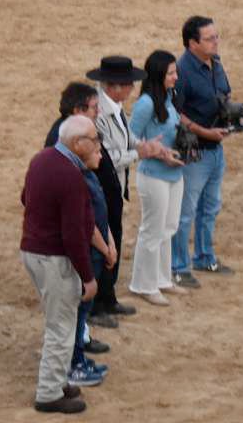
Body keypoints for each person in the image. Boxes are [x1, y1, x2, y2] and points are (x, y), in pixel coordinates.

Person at [21, 115, 100, 413]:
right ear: (77, 144)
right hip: (53, 258)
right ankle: (49, 393)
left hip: (33, 251)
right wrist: (88, 277)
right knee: (61, 326)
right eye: (93, 139)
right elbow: (73, 234)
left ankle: (57, 380)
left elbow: (25, 198)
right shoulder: (70, 175)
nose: (98, 145)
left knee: (60, 322)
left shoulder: (41, 159)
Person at [86, 56, 161, 327]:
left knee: (114, 237)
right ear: (115, 86)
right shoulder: (98, 114)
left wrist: (142, 146)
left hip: (114, 186)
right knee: (104, 243)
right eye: (129, 83)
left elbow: (128, 139)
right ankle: (96, 306)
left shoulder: (114, 107)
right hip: (103, 186)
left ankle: (108, 297)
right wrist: (140, 152)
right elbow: (106, 157)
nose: (132, 88)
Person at [44, 83, 112, 356]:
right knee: (75, 305)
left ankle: (80, 342)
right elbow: (80, 217)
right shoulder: (67, 155)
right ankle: (75, 353)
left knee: (78, 307)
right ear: (77, 110)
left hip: (88, 238)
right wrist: (104, 246)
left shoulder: (72, 144)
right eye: (94, 108)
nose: (98, 113)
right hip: (79, 243)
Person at [171, 15, 235, 287]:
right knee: (186, 212)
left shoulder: (215, 64)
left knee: (210, 207)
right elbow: (175, 113)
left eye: (216, 37)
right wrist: (204, 131)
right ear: (192, 43)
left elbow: (224, 94)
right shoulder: (181, 71)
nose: (215, 42)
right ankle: (178, 266)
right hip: (194, 152)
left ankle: (204, 256)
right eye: (209, 39)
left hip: (215, 148)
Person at [129, 50, 187, 305]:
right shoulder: (146, 103)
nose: (176, 77)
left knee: (169, 227)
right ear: (158, 75)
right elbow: (130, 138)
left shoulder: (169, 97)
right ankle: (144, 285)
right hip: (154, 175)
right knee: (152, 231)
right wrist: (159, 152)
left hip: (174, 172)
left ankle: (162, 279)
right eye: (171, 73)